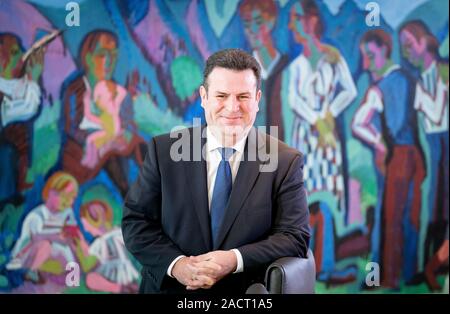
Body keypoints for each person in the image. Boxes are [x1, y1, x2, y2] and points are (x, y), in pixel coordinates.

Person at [122, 48, 310, 294]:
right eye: (221, 95)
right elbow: (137, 222)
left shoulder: (285, 161)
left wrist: (234, 259)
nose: (232, 108)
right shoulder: (163, 151)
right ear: (204, 96)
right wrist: (177, 265)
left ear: (257, 99)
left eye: (243, 96)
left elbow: (294, 237)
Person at [353, 29, 425, 289]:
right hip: (413, 156)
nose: (366, 62)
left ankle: (391, 277)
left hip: (398, 157)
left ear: (384, 50)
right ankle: (405, 273)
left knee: (394, 217)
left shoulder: (381, 87)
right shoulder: (406, 78)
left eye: (370, 55)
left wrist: (379, 142)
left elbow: (359, 124)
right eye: (364, 56)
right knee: (407, 215)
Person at [399, 21, 449, 280]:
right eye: (403, 48)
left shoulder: (443, 72)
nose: (407, 52)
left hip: (446, 142)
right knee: (434, 204)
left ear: (424, 41)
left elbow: (438, 112)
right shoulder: (421, 81)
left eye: (410, 45)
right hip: (431, 145)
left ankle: (438, 263)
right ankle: (430, 263)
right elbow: (424, 121)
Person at [6, 171, 79, 283]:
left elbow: (71, 230)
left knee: (70, 252)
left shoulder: (67, 213)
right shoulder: (38, 215)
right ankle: (31, 271)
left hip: (55, 249)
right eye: (63, 196)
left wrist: (70, 236)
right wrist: (56, 237)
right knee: (45, 246)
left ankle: (72, 281)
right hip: (27, 253)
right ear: (50, 193)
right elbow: (37, 238)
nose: (68, 201)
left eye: (72, 198)